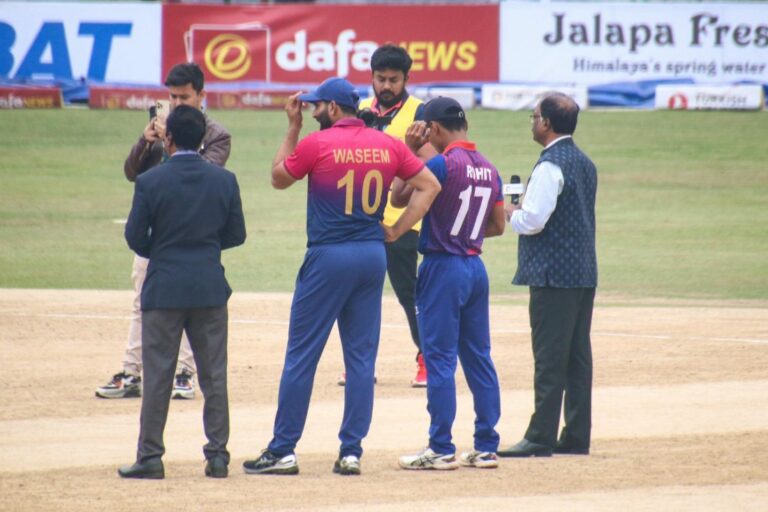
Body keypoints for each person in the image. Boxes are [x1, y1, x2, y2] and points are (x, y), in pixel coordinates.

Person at [242, 77, 440, 477]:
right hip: (371, 255)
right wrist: (397, 229)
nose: (312, 110)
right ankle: (351, 452)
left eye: (316, 106)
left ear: (333, 109)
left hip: (328, 257)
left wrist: (293, 127)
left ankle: (283, 449)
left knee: (301, 356)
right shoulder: (387, 144)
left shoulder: (317, 143)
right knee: (361, 359)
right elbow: (429, 184)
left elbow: (278, 178)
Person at [118, 105, 246, 479]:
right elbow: (236, 234)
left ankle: (150, 456)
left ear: (169, 138)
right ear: (202, 139)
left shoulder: (150, 181)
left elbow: (134, 237)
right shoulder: (224, 180)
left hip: (164, 287)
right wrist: (205, 249)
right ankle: (217, 455)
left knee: (157, 376)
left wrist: (163, 251)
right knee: (214, 375)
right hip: (208, 286)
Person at [96, 62, 232, 400]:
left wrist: (175, 147)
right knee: (141, 302)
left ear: (201, 95)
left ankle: (184, 374)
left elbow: (200, 177)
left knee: (189, 306)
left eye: (184, 97)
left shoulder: (216, 134)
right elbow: (132, 173)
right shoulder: (159, 128)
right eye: (172, 96)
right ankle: (131, 372)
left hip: (194, 236)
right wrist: (145, 142)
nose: (177, 103)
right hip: (156, 234)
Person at [393, 97, 506, 470]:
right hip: (475, 267)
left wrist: (410, 152)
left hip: (442, 267)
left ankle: (441, 446)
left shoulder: (440, 165)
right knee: (479, 357)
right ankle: (486, 446)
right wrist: (467, 232)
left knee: (439, 358)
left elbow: (399, 197)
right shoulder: (490, 169)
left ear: (435, 129)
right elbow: (498, 226)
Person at [497, 93, 597, 458]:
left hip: (553, 275)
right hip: (583, 271)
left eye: (535, 116)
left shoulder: (550, 166)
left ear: (547, 123)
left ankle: (540, 435)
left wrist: (511, 212)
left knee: (550, 358)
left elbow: (533, 221)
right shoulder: (585, 162)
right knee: (577, 357)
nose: (533, 121)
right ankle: (576, 433)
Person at [340, 44, 437, 388]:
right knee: (357, 294)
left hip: (402, 220)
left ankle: (426, 358)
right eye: (380, 78)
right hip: (360, 218)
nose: (386, 86)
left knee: (409, 293)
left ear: (406, 79)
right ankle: (359, 365)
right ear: (371, 77)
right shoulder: (359, 110)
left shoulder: (419, 113)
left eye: (393, 80)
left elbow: (432, 163)